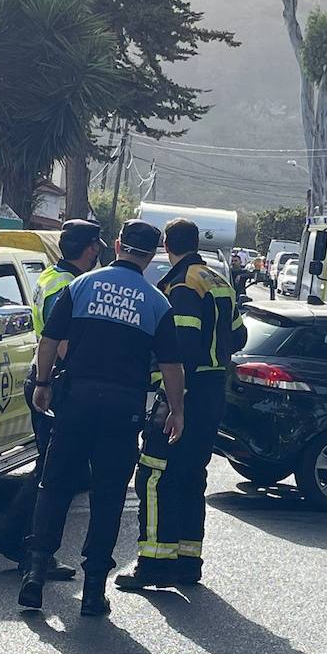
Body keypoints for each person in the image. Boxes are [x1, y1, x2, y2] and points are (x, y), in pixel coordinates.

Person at [20, 220, 186, 617]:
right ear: (154, 253)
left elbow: (48, 340)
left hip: (75, 400)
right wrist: (177, 410)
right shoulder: (156, 302)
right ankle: (94, 589)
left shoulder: (82, 286)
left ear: (117, 245)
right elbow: (171, 365)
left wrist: (43, 383)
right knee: (108, 496)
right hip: (122, 409)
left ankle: (35, 574)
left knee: (55, 484)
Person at [117, 218, 248, 591]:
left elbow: (183, 347)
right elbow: (239, 334)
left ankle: (155, 565)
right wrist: (216, 352)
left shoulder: (181, 285)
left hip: (184, 393)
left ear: (166, 247)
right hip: (212, 391)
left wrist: (172, 400)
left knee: (155, 475)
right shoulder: (216, 280)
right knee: (192, 475)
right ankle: (188, 563)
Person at [0, 219, 105, 578]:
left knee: (51, 469)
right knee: (54, 472)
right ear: (92, 249)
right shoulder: (67, 286)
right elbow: (63, 342)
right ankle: (23, 545)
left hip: (48, 379)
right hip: (55, 382)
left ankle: (18, 541)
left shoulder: (53, 276)